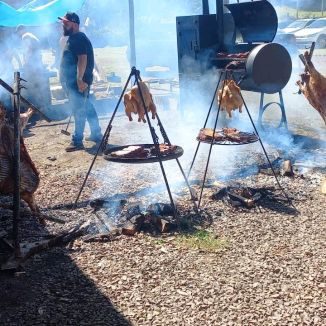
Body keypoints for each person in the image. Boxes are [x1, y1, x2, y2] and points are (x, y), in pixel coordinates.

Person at [58, 12, 102, 152]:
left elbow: (82, 59)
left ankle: (77, 141)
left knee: (79, 110)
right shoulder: (74, 38)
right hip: (76, 82)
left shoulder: (78, 38)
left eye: (66, 22)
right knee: (87, 106)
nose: (63, 25)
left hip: (79, 82)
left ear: (75, 24)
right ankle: (96, 133)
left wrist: (79, 79)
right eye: (63, 22)